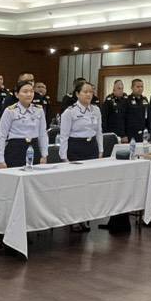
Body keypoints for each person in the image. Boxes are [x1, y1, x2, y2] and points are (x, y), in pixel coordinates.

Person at [58, 82, 106, 232]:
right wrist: (64, 157)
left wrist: (100, 150)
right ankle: (73, 219)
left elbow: (99, 131)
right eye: (85, 92)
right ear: (77, 94)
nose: (89, 94)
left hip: (91, 148)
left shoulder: (96, 109)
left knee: (89, 185)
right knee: (76, 186)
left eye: (91, 92)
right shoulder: (70, 112)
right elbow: (64, 136)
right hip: (76, 148)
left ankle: (85, 217)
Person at [0, 80, 49, 167]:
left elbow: (43, 134)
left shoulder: (39, 110)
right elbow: (2, 136)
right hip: (15, 149)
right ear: (17, 94)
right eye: (25, 92)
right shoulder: (10, 111)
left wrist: (44, 155)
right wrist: (0, 160)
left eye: (31, 91)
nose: (29, 94)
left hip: (34, 148)